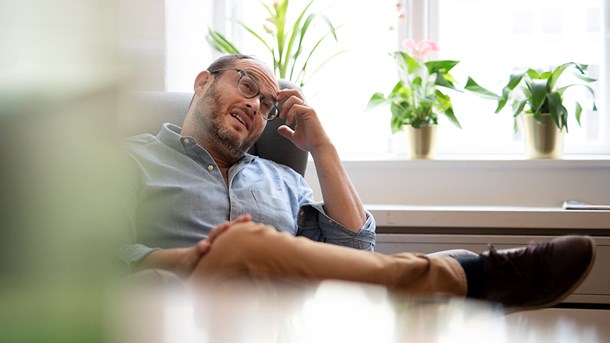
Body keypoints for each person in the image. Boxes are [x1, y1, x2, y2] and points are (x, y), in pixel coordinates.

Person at [118, 54, 596, 312]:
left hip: (281, 311)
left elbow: (355, 251)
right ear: (204, 82)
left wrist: (322, 148)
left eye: (267, 104)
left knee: (401, 279)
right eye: (247, 86)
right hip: (183, 298)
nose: (257, 106)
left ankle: (449, 278)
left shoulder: (282, 178)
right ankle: (465, 278)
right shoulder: (129, 159)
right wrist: (203, 256)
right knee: (241, 242)